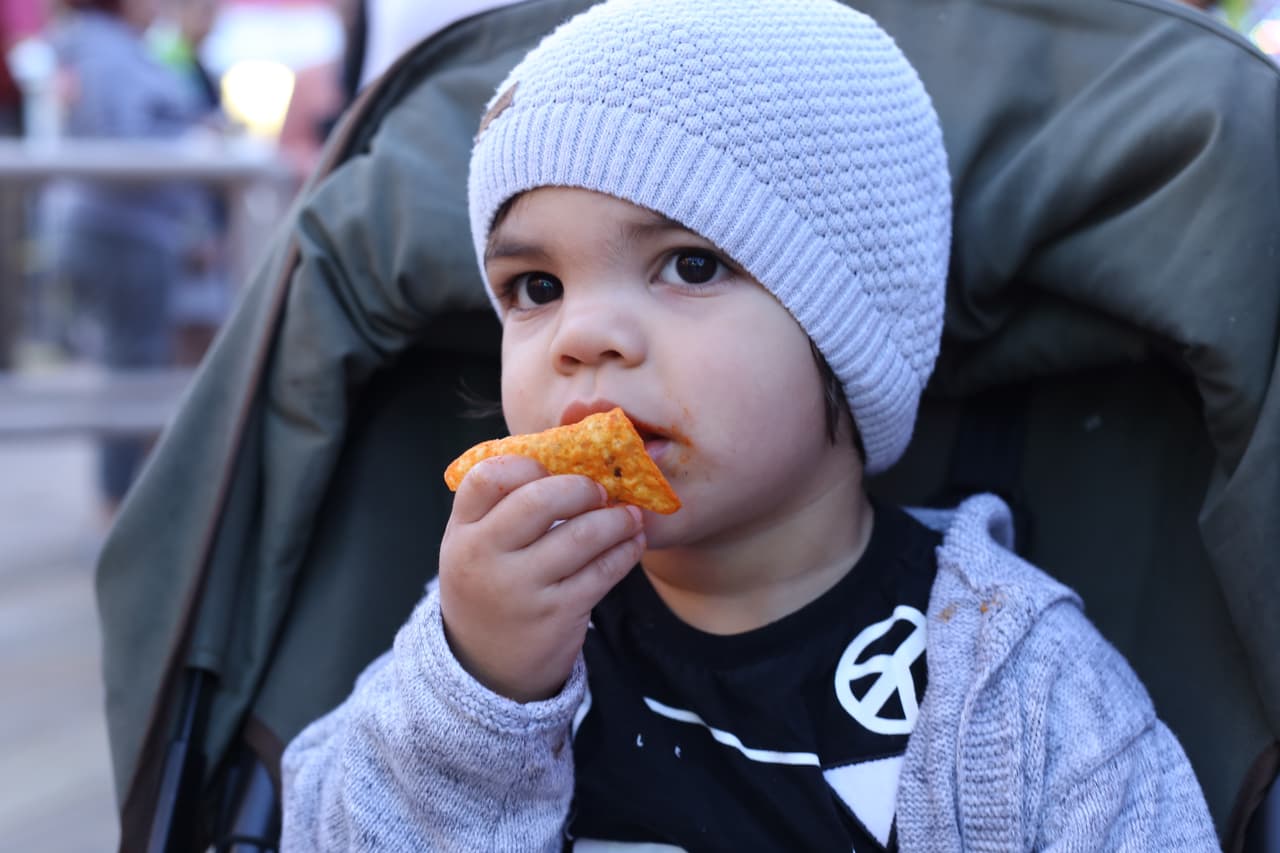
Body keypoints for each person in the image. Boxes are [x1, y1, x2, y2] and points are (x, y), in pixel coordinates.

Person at [280, 0, 1218, 849]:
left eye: (689, 265)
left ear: (850, 327)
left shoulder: (1015, 688)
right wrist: (479, 697)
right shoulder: (491, 640)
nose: (584, 334)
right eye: (536, 287)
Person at [47, 0, 208, 519]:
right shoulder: (107, 50)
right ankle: (117, 509)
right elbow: (124, 142)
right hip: (124, 229)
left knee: (130, 363)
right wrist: (195, 144)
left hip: (116, 227)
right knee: (132, 368)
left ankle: (121, 503)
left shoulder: (94, 44)